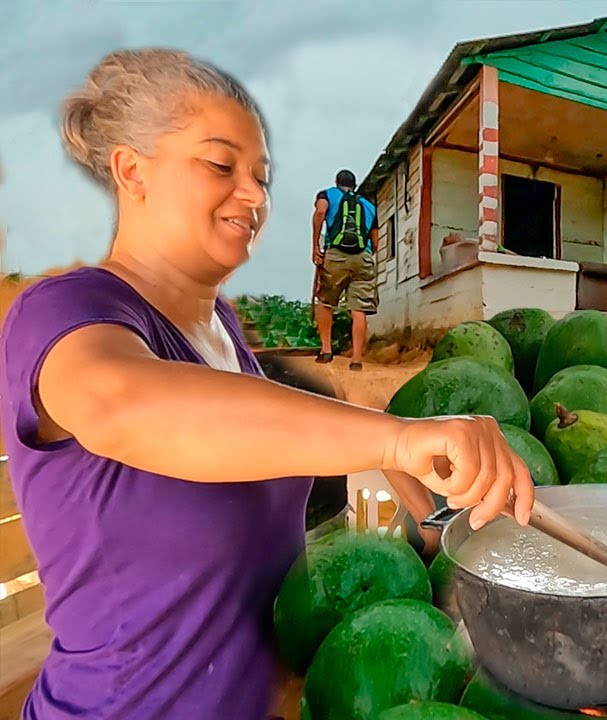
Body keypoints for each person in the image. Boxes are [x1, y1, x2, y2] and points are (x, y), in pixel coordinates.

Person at [0, 48, 534, 720]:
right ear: (132, 171)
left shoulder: (222, 329)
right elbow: (124, 404)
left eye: (261, 176)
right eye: (221, 166)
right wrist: (395, 439)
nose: (255, 196)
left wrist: (418, 499)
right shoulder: (62, 312)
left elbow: (271, 432)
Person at [311, 168, 378, 370]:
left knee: (325, 301)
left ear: (337, 182)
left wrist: (316, 246)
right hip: (363, 257)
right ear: (354, 186)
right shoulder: (368, 205)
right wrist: (365, 255)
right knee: (359, 309)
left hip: (336, 255)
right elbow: (375, 241)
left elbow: (320, 212)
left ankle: (326, 350)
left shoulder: (328, 194)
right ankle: (356, 360)